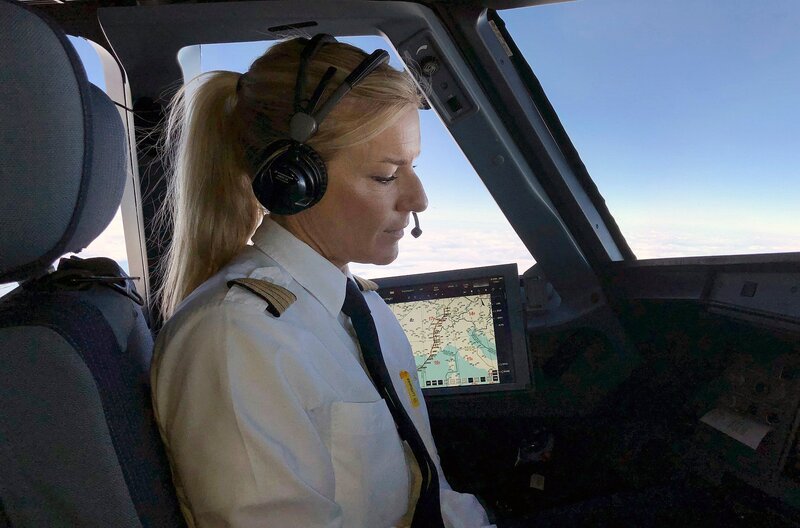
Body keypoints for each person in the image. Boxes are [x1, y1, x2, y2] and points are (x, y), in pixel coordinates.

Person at [151, 35, 494, 528]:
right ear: (293, 180)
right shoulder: (237, 340)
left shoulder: (362, 309)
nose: (418, 199)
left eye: (412, 167)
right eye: (385, 175)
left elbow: (432, 492)